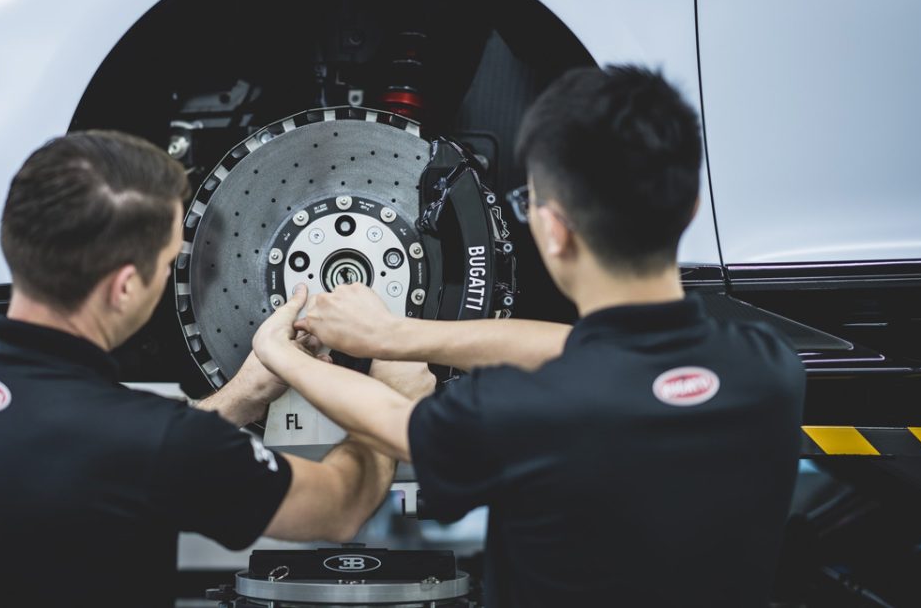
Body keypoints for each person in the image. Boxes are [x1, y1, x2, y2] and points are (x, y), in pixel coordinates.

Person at [254, 66, 806, 607]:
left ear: (554, 229)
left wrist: (280, 352)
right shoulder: (769, 369)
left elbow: (398, 426)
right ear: (690, 208)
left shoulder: (526, 407)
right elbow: (592, 353)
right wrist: (394, 334)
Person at [0, 131, 410, 608]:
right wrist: (389, 387)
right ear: (124, 287)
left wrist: (241, 394)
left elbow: (114, 460)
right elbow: (339, 506)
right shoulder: (154, 440)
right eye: (166, 264)